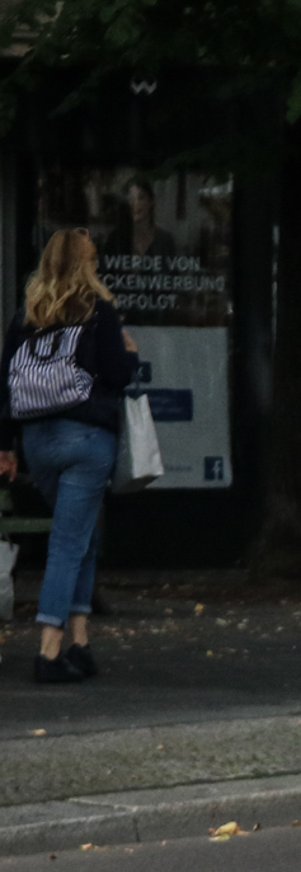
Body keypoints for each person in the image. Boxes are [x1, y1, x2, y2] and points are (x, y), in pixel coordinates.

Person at [0, 228, 138, 684]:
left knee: (81, 537)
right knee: (68, 542)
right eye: (93, 260)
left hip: (39, 441)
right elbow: (117, 376)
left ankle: (80, 641)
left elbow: (5, 384)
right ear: (86, 265)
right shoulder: (99, 313)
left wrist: (5, 444)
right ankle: (49, 649)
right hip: (86, 441)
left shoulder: (27, 315)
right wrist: (131, 354)